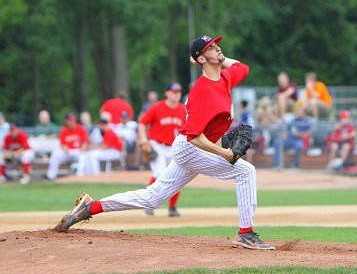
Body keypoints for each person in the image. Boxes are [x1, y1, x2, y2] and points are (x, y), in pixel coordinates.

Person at [54, 34, 276, 251]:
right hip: (190, 148)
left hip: (190, 148)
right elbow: (194, 136)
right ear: (200, 59)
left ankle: (91, 207)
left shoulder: (226, 79)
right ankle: (245, 233)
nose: (217, 48)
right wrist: (224, 153)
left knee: (152, 198)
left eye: (216, 45)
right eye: (210, 47)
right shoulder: (201, 91)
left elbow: (242, 67)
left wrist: (217, 58)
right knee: (245, 171)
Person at [138, 82, 186, 217]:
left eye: (178, 92)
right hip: (157, 145)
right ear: (166, 93)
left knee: (177, 177)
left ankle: (172, 208)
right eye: (173, 92)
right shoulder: (157, 108)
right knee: (159, 174)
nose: (176, 94)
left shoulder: (183, 110)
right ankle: (149, 204)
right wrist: (143, 139)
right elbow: (142, 122)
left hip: (174, 147)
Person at [46, 113, 89, 180]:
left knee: (83, 155)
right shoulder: (64, 130)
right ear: (66, 121)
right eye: (70, 120)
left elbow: (85, 142)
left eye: (73, 120)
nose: (72, 122)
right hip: (67, 151)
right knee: (56, 154)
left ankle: (79, 175)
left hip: (78, 151)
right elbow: (62, 143)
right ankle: (51, 176)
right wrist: (65, 149)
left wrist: (83, 148)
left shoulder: (80, 128)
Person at [272, 102, 312, 169]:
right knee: (277, 142)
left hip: (299, 140)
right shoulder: (292, 121)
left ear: (303, 113)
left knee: (299, 146)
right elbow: (286, 130)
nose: (299, 113)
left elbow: (309, 133)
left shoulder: (307, 122)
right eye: (297, 112)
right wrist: (284, 135)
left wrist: (299, 134)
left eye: (300, 112)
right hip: (289, 139)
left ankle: (295, 165)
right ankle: (277, 164)